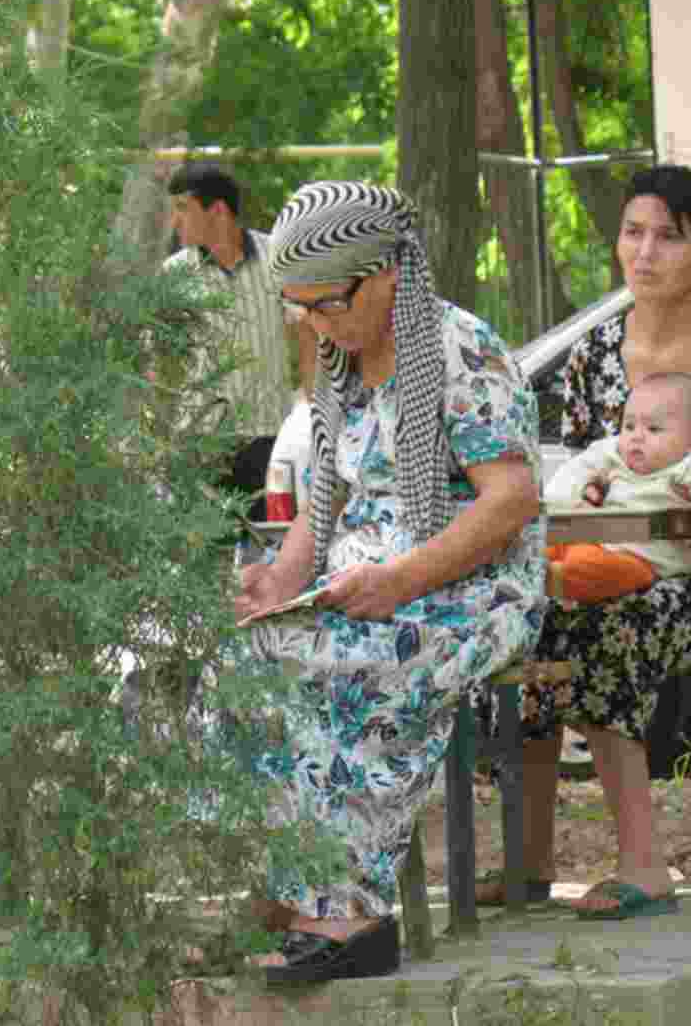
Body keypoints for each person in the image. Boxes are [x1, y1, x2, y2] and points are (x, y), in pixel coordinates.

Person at [228, 181, 547, 983]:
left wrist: (400, 581)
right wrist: (281, 580)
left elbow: (510, 501)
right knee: (230, 668)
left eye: (326, 303)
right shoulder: (339, 360)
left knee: (343, 667)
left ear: (385, 275)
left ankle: (351, 915)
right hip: (365, 587)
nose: (313, 324)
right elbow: (328, 499)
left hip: (473, 592)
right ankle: (282, 893)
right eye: (299, 308)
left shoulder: (460, 350)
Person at [476, 163, 691, 919]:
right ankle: (529, 864)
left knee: (608, 628)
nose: (645, 250)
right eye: (633, 232)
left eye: (669, 235)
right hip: (613, 557)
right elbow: (592, 474)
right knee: (533, 620)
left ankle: (644, 867)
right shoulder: (593, 355)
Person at [164, 162, 317, 521]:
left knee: (274, 545)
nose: (175, 221)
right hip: (200, 445)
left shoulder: (278, 260)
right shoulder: (172, 276)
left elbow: (308, 333)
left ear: (217, 210)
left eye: (183, 208)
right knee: (203, 555)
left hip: (271, 441)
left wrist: (310, 414)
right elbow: (160, 362)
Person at [545, 372, 691, 603]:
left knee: (594, 568)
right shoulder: (612, 452)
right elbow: (575, 471)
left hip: (642, 558)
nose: (637, 437)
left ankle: (554, 578)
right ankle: (532, 569)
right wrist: (560, 505)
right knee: (547, 542)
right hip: (592, 536)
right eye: (628, 426)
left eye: (653, 429)